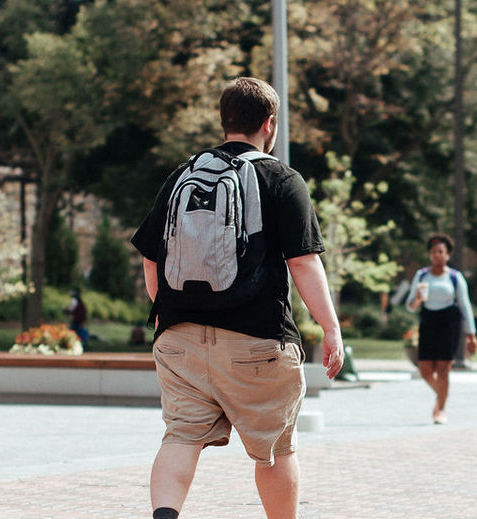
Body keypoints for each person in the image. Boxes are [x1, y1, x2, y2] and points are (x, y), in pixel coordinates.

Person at [131, 77, 344, 519]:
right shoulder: (282, 179)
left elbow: (151, 259)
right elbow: (303, 263)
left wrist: (164, 316)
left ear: (224, 121)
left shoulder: (180, 175)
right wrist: (330, 328)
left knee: (181, 437)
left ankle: (165, 515)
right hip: (258, 343)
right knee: (275, 450)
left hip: (180, 341)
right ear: (270, 124)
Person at [403, 233, 477, 424]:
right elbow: (409, 306)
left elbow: (465, 305)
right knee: (425, 369)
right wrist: (417, 301)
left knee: (444, 369)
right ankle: (442, 393)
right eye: (433, 252)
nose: (436, 255)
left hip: (449, 322)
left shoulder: (455, 277)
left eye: (440, 251)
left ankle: (440, 409)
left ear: (447, 255)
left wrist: (471, 335)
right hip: (428, 320)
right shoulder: (421, 275)